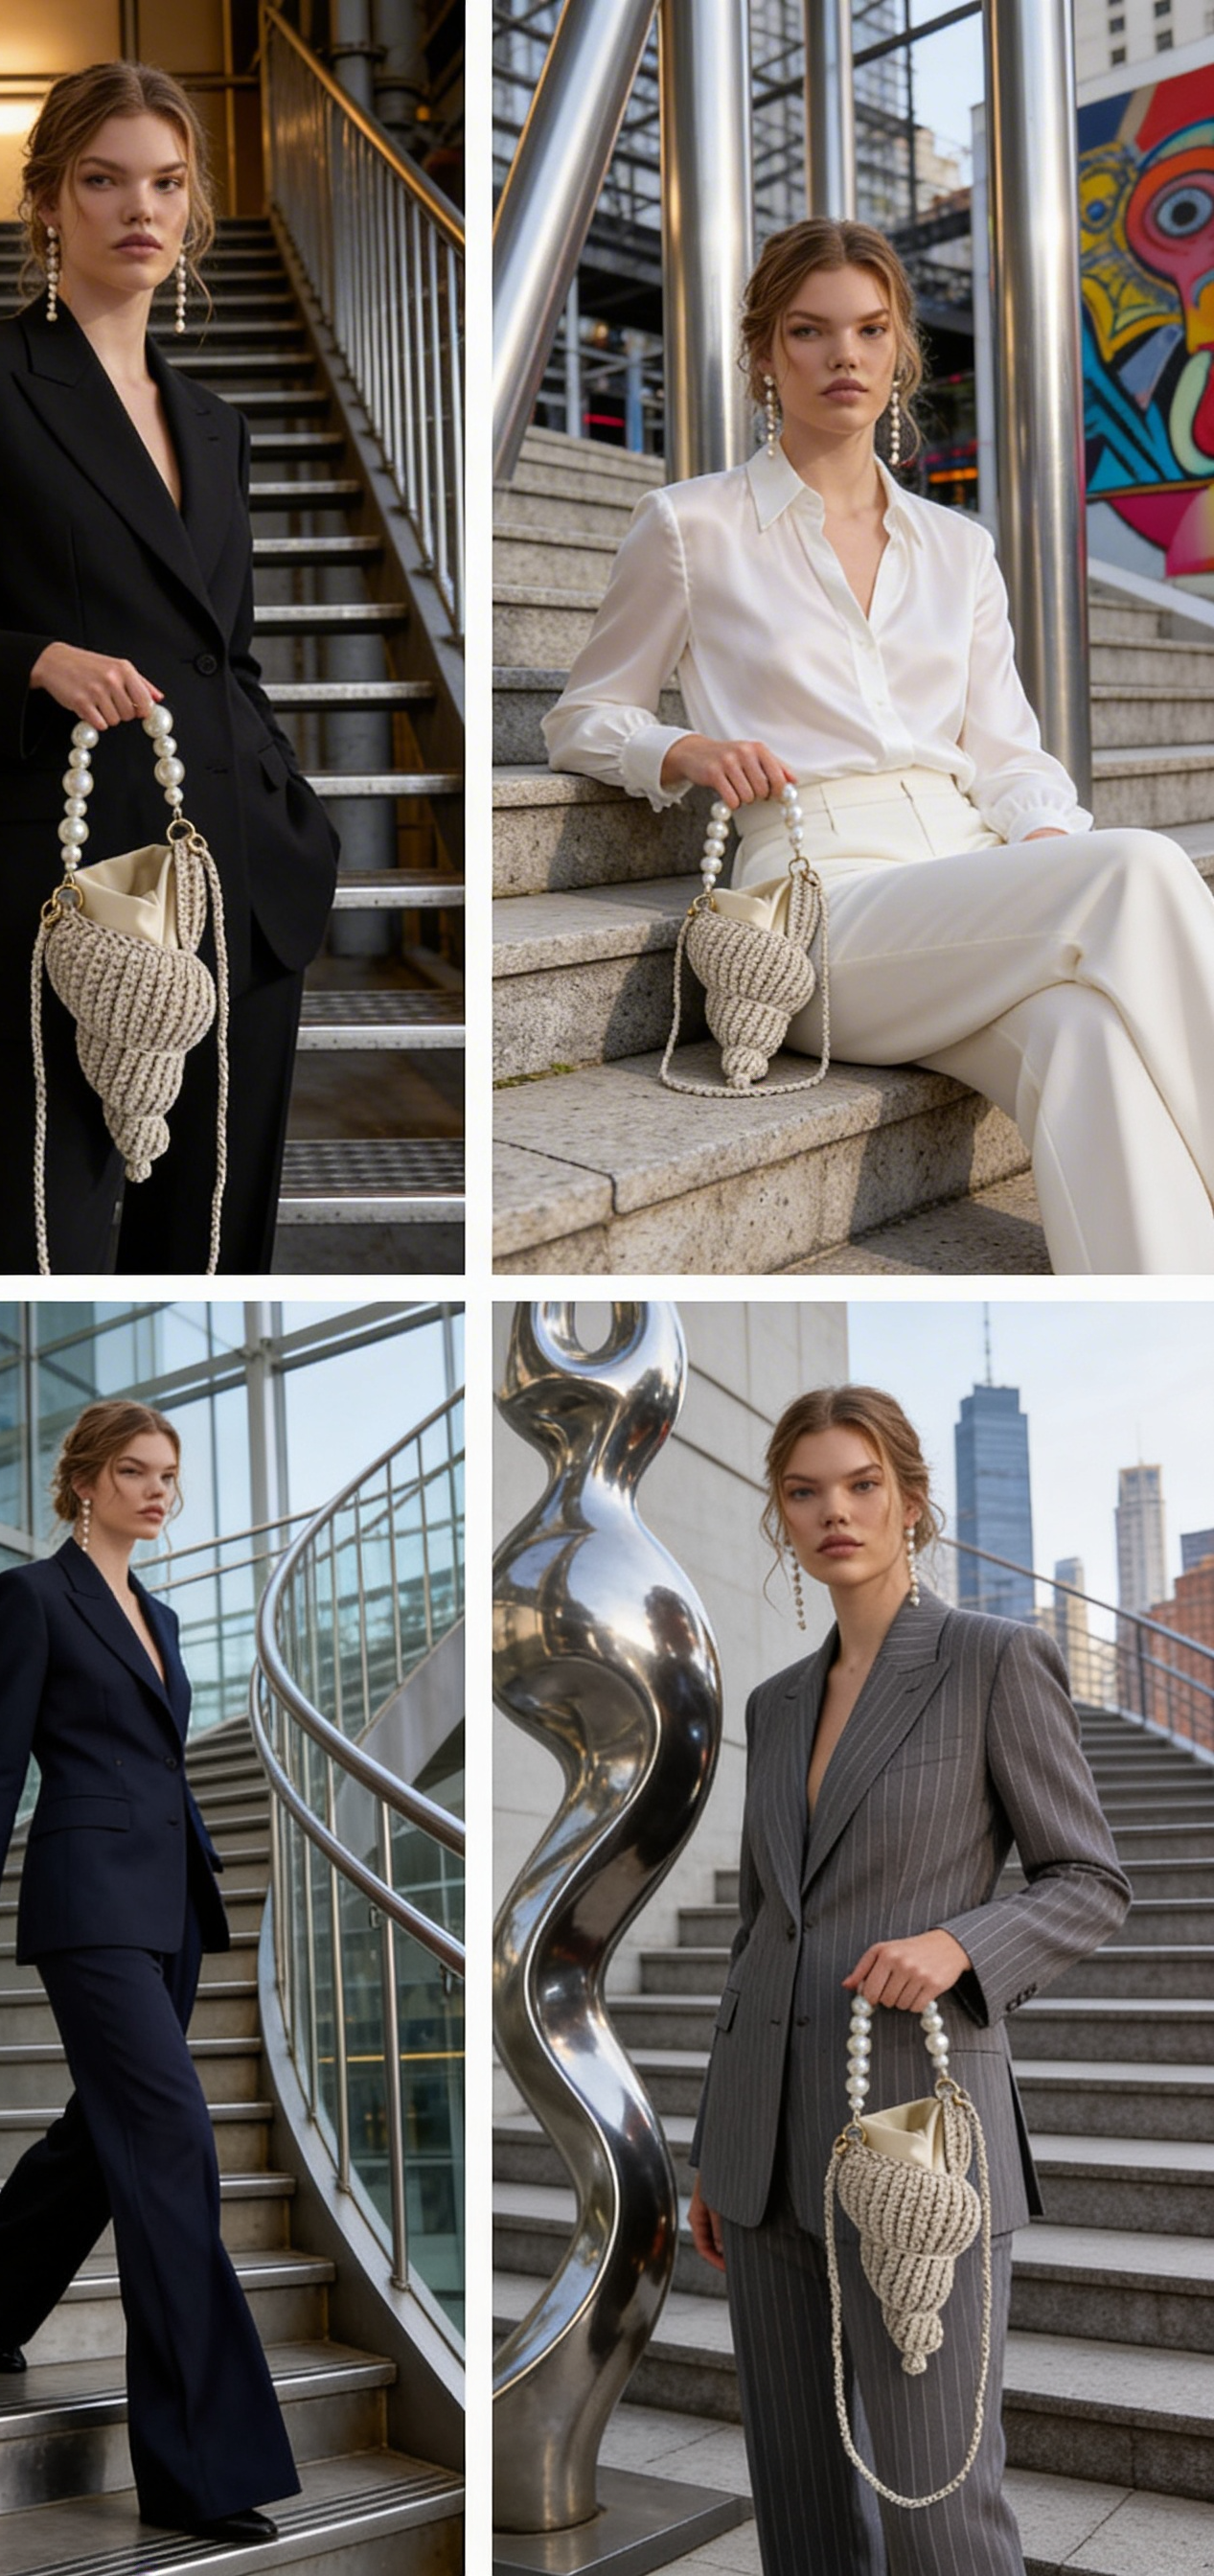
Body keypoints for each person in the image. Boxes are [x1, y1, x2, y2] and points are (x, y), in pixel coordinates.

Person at [542, 217, 1214, 1274]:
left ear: (901, 348)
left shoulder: (959, 546)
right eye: (809, 331)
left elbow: (1011, 754)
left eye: (868, 329)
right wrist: (683, 748)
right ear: (765, 353)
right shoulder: (691, 524)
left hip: (971, 879)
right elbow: (584, 716)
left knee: (1083, 1040)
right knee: (1139, 864)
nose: (842, 356)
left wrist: (1040, 832)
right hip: (819, 900)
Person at [0, 60, 339, 1276]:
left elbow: (230, 654)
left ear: (194, 203)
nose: (136, 209)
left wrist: (292, 812)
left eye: (165, 181)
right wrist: (31, 660)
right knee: (29, 1248)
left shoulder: (214, 420)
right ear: (48, 198)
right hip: (63, 884)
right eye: (102, 180)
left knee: (212, 1253)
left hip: (245, 886)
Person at [685, 1385, 1130, 2574]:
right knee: (803, 2500)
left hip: (917, 2148)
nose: (835, 1511)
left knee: (938, 2497)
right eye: (805, 1490)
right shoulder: (777, 1707)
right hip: (768, 2153)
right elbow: (757, 1934)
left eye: (862, 1483)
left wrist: (961, 1945)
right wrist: (717, 2148)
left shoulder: (992, 1660)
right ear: (780, 1516)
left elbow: (1088, 1880)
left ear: (912, 1501)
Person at [0, 1398, 298, 2546]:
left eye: (168, 1475)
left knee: (112, 2131)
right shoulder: (32, 1598)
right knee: (175, 2144)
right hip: (86, 1907)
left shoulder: (164, 1614)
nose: (157, 1491)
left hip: (172, 1908)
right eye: (134, 1471)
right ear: (82, 1481)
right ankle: (197, 2469)